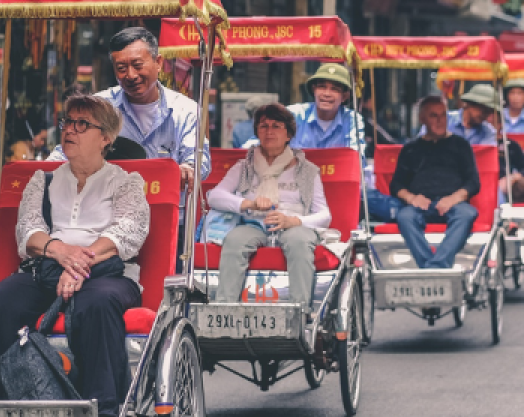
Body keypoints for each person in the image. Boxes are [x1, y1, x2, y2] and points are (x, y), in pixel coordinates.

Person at [0, 95, 149, 417]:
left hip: (107, 274)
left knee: (98, 303)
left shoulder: (125, 182)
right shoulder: (44, 180)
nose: (70, 131)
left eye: (83, 125)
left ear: (106, 138)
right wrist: (61, 253)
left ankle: (104, 414)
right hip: (47, 267)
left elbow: (127, 232)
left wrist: (81, 263)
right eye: (68, 122)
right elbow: (29, 231)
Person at [49, 27, 209, 187]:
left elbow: (198, 159)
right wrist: (41, 169)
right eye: (121, 68)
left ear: (158, 63)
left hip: (167, 207)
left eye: (138, 65)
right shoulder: (97, 107)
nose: (131, 75)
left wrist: (188, 168)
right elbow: (66, 151)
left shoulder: (187, 111)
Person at [208, 104, 331, 306]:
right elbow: (215, 196)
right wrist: (249, 203)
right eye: (263, 126)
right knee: (235, 239)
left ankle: (299, 311)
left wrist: (293, 221)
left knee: (299, 242)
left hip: (295, 226)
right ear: (256, 131)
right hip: (254, 224)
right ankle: (225, 309)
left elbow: (324, 216)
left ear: (288, 134)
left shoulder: (307, 171)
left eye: (276, 126)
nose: (269, 131)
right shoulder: (244, 166)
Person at [391, 96, 480, 269]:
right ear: (422, 119)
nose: (440, 121)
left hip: (453, 203)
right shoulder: (411, 148)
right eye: (434, 116)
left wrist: (453, 199)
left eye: (443, 116)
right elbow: (396, 185)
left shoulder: (460, 145)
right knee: (405, 216)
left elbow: (473, 183)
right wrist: (412, 198)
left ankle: (436, 266)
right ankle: (431, 267)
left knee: (467, 214)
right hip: (421, 204)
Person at [285, 64, 365, 151]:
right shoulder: (294, 114)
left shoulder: (352, 119)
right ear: (314, 90)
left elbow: (356, 157)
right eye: (322, 87)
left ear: (344, 96)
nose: (327, 94)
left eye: (335, 89)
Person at [490, 108, 524, 204]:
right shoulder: (475, 144)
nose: (489, 126)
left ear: (500, 125)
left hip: (508, 185)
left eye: (492, 123)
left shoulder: (510, 145)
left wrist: (512, 178)